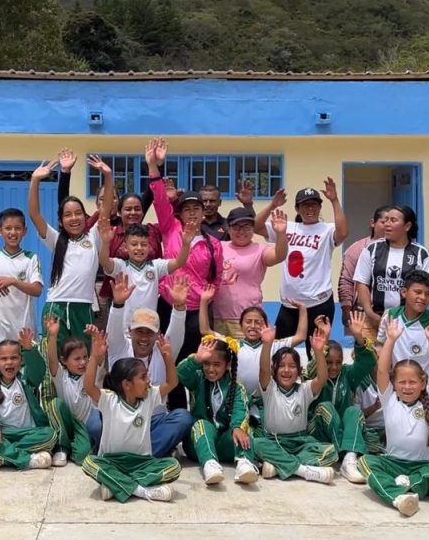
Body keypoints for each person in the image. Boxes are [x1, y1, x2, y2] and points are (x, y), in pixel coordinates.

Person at [357, 306, 429, 517]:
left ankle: (409, 483)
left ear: (423, 383)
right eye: (402, 382)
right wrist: (391, 340)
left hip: (423, 467)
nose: (407, 387)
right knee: (365, 463)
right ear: (394, 384)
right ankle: (399, 497)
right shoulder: (389, 400)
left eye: (412, 382)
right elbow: (382, 370)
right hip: (392, 464)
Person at [146, 138, 223, 409]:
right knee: (171, 360)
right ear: (180, 213)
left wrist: (205, 300)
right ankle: (176, 412)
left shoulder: (213, 244)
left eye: (196, 209)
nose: (191, 213)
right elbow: (159, 199)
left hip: (197, 313)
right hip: (169, 307)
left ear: (203, 213)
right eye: (187, 209)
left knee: (200, 362)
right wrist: (154, 166)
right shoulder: (171, 228)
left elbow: (216, 278)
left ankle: (201, 412)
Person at [57, 147, 161, 327]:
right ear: (98, 202)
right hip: (103, 290)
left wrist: (155, 165)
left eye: (113, 197)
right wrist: (65, 173)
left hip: (139, 291)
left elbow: (148, 197)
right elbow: (64, 204)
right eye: (103, 198)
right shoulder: (91, 225)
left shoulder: (130, 223)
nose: (109, 201)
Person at [81, 328, 180, 502]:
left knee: (174, 466)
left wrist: (167, 357)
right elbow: (89, 387)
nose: (148, 380)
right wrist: (95, 357)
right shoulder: (109, 399)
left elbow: (172, 382)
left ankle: (115, 484)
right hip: (112, 461)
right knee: (90, 463)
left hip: (141, 463)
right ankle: (141, 490)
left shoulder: (149, 396)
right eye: (143, 377)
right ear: (127, 385)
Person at [101, 274, 193, 457]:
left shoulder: (164, 350)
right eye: (139, 331)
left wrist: (179, 307)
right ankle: (144, 451)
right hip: (120, 420)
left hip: (154, 420)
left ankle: (140, 456)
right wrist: (118, 304)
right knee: (95, 425)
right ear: (130, 331)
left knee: (182, 418)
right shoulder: (119, 348)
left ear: (158, 334)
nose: (144, 337)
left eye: (149, 333)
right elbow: (113, 329)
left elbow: (176, 332)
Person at [257, 180, 347, 359]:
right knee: (278, 353)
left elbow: (343, 233)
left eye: (314, 205)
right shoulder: (287, 227)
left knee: (316, 355)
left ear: (320, 207)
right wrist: (272, 205)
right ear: (297, 209)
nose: (310, 209)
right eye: (305, 205)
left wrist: (335, 200)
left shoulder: (327, 229)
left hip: (318, 303)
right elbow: (256, 227)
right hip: (289, 305)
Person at [28, 155, 113, 345]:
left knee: (81, 357)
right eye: (68, 215)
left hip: (83, 309)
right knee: (54, 358)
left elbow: (106, 209)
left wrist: (108, 176)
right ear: (61, 221)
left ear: (85, 216)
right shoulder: (56, 239)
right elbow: (34, 214)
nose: (74, 218)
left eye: (78, 213)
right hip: (55, 307)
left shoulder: (93, 237)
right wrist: (35, 181)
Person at [375, 270, 429, 456]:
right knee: (390, 441)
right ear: (404, 292)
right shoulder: (390, 317)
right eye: (417, 292)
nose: (423, 298)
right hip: (401, 393)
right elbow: (380, 349)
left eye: (428, 294)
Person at [252, 322, 336, 483]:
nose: (286, 370)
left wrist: (318, 351)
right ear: (274, 370)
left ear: (299, 370)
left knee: (331, 452)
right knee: (256, 443)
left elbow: (322, 379)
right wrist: (267, 344)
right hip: (274, 441)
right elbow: (263, 371)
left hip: (300, 443)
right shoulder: (270, 389)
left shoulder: (304, 389)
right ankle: (303, 471)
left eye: (292, 366)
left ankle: (278, 465)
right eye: (281, 366)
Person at [199, 287, 307, 409]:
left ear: (266, 325)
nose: (253, 326)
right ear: (241, 325)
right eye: (248, 322)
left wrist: (302, 309)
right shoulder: (232, 344)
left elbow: (301, 336)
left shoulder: (273, 345)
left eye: (258, 322)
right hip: (237, 402)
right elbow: (205, 330)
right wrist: (204, 302)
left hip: (265, 403)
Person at [0, 332, 58, 470]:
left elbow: (38, 371)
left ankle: (0, 456)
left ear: (21, 360)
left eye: (14, 358)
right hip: (2, 434)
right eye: (3, 359)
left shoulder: (26, 380)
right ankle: (28, 460)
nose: (9, 362)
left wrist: (29, 350)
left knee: (50, 436)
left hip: (28, 434)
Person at [309, 311, 380, 484]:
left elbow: (368, 362)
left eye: (338, 362)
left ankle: (348, 460)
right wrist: (324, 340)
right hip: (319, 432)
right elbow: (311, 369)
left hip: (343, 431)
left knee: (354, 411)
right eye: (329, 362)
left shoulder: (348, 374)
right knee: (325, 407)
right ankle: (347, 449)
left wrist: (358, 337)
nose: (334, 367)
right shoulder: (314, 376)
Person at [178, 337, 259, 485]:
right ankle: (210, 465)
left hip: (224, 445)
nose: (210, 369)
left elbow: (240, 410)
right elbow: (181, 373)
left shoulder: (237, 387)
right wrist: (196, 359)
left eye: (216, 364)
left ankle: (244, 463)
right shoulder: (197, 379)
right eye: (206, 363)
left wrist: (237, 427)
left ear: (227, 365)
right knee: (201, 424)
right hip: (199, 444)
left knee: (244, 429)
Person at [98, 217, 191, 333]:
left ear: (149, 246)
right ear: (125, 247)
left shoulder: (156, 266)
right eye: (134, 244)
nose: (139, 248)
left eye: (144, 244)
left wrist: (186, 244)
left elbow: (179, 262)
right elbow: (104, 261)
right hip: (124, 329)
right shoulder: (121, 266)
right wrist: (105, 243)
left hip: (148, 328)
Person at [354, 205, 429, 329]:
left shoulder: (422, 254)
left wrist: (412, 319)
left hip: (409, 322)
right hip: (374, 319)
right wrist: (370, 314)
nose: (387, 224)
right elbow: (362, 282)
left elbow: (428, 290)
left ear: (407, 226)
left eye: (393, 220)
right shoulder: (371, 249)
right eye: (386, 220)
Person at [210, 207, 288, 339]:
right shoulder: (218, 246)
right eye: (236, 227)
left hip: (247, 320)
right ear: (228, 228)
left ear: (253, 229)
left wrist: (281, 234)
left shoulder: (260, 250)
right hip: (216, 317)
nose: (241, 232)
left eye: (247, 227)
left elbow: (279, 256)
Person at [0, 208, 44, 342]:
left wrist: (13, 281)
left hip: (25, 333)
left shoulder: (31, 258)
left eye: (18, 228)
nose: (13, 232)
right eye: (8, 228)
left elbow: (37, 290)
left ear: (24, 231)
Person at [44, 316, 101, 466]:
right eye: (77, 359)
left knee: (82, 456)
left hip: (83, 425)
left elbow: (97, 357)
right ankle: (62, 447)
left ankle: (74, 446)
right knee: (56, 404)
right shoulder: (61, 376)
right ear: (64, 360)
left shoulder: (90, 374)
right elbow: (52, 360)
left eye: (85, 357)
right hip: (66, 422)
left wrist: (94, 338)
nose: (82, 362)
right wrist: (53, 335)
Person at [339, 206, 391, 326]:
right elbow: (346, 280)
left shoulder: (403, 251)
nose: (388, 226)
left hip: (396, 313)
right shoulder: (357, 249)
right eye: (384, 222)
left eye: (392, 222)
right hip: (363, 314)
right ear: (373, 223)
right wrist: (346, 308)